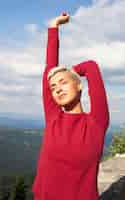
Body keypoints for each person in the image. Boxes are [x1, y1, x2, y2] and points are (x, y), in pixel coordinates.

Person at [32, 12, 110, 200]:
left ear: (79, 85)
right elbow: (49, 69)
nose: (57, 89)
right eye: (53, 87)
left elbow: (91, 66)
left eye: (63, 83)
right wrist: (53, 27)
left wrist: (72, 71)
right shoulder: (53, 118)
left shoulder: (96, 123)